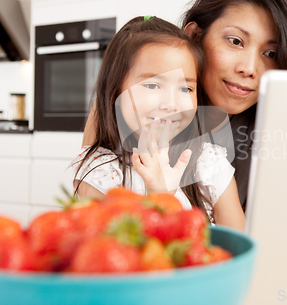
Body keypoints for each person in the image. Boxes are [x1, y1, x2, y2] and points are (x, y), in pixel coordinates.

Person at [82, 0, 287, 212]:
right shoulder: (127, 109)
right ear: (194, 35)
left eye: (271, 54)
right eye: (235, 41)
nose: (249, 69)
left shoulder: (276, 125)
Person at [72, 16, 245, 231]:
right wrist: (159, 199)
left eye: (185, 89)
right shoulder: (101, 173)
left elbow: (240, 248)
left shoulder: (208, 163)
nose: (171, 104)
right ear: (115, 90)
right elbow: (108, 255)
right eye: (153, 85)